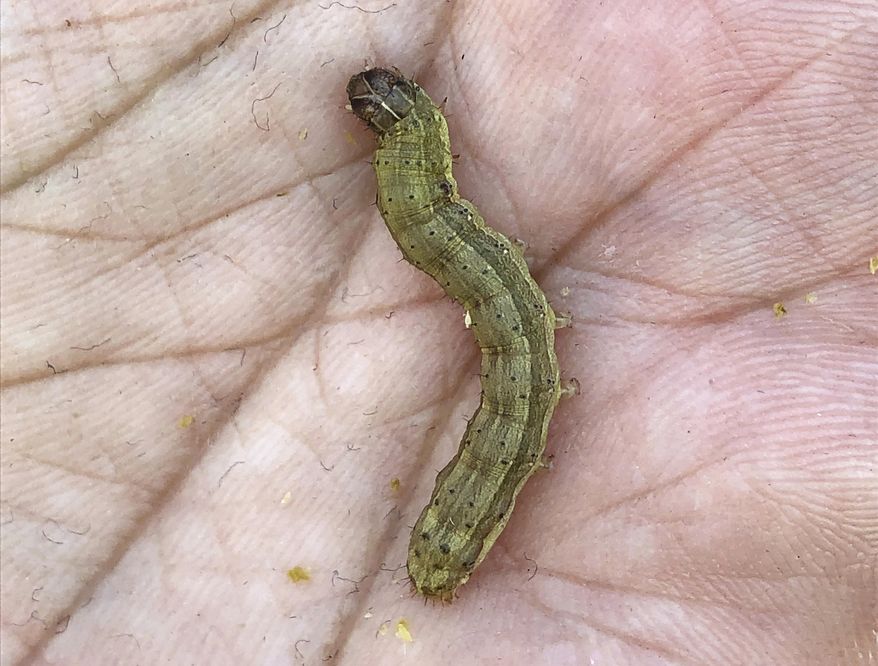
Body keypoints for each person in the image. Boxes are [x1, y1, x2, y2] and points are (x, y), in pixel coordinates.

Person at [1, 2, 875, 663]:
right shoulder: (419, 193)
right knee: (509, 348)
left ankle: (453, 547)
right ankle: (449, 547)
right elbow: (426, 219)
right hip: (498, 381)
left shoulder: (422, 195)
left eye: (388, 114)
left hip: (507, 387)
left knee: (514, 360)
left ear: (401, 135)